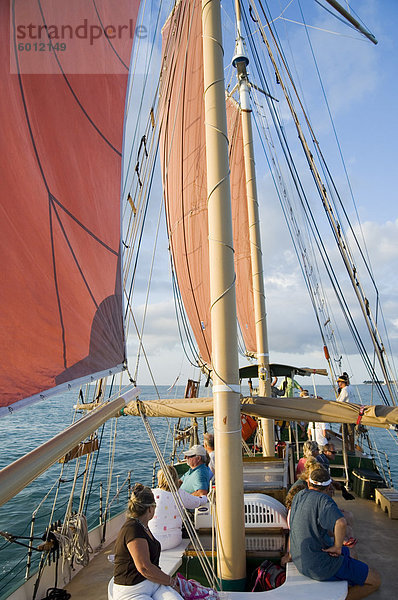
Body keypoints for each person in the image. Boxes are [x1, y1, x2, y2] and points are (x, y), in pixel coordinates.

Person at [289, 468, 380, 600]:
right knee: (375, 580)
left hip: (300, 560)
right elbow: (341, 523)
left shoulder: (299, 495)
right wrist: (337, 547)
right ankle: (340, 597)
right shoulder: (324, 501)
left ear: (308, 484)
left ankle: (345, 579)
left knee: (352, 553)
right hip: (319, 565)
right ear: (328, 487)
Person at [110, 483, 183, 600]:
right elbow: (144, 567)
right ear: (150, 508)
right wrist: (171, 582)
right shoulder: (132, 528)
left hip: (153, 584)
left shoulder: (143, 526)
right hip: (132, 591)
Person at [149, 466, 207, 550]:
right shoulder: (180, 494)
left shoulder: (152, 494)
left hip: (154, 541)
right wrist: (204, 497)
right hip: (174, 540)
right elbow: (197, 502)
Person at [336, 373, 355, 452]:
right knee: (351, 433)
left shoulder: (344, 390)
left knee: (345, 433)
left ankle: (347, 449)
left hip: (346, 414)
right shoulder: (351, 388)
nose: (338, 384)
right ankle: (352, 448)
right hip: (352, 413)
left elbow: (340, 401)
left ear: (342, 382)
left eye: (339, 382)